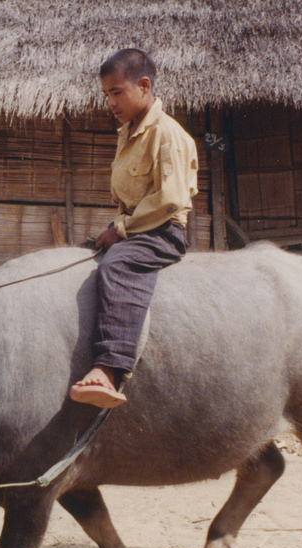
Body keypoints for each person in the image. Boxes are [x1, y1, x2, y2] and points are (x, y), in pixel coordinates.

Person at [69, 48, 198, 409]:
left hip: (162, 231)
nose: (110, 102)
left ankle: (110, 368)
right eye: (106, 95)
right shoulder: (128, 132)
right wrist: (117, 228)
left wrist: (122, 230)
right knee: (84, 252)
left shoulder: (167, 134)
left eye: (117, 92)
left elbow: (169, 198)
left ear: (143, 86)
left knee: (117, 265)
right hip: (136, 225)